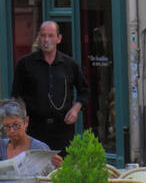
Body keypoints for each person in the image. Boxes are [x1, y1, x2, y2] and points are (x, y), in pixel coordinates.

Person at [10, 20, 90, 153]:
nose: (46, 40)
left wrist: (76, 109)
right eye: (43, 35)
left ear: (59, 38)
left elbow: (84, 91)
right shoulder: (25, 64)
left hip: (62, 129)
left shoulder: (70, 64)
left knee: (61, 168)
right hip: (34, 129)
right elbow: (16, 96)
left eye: (50, 36)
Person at [0, 98, 56, 168]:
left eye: (16, 125)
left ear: (26, 122)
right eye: (6, 126)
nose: (11, 130)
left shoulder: (40, 148)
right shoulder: (0, 146)